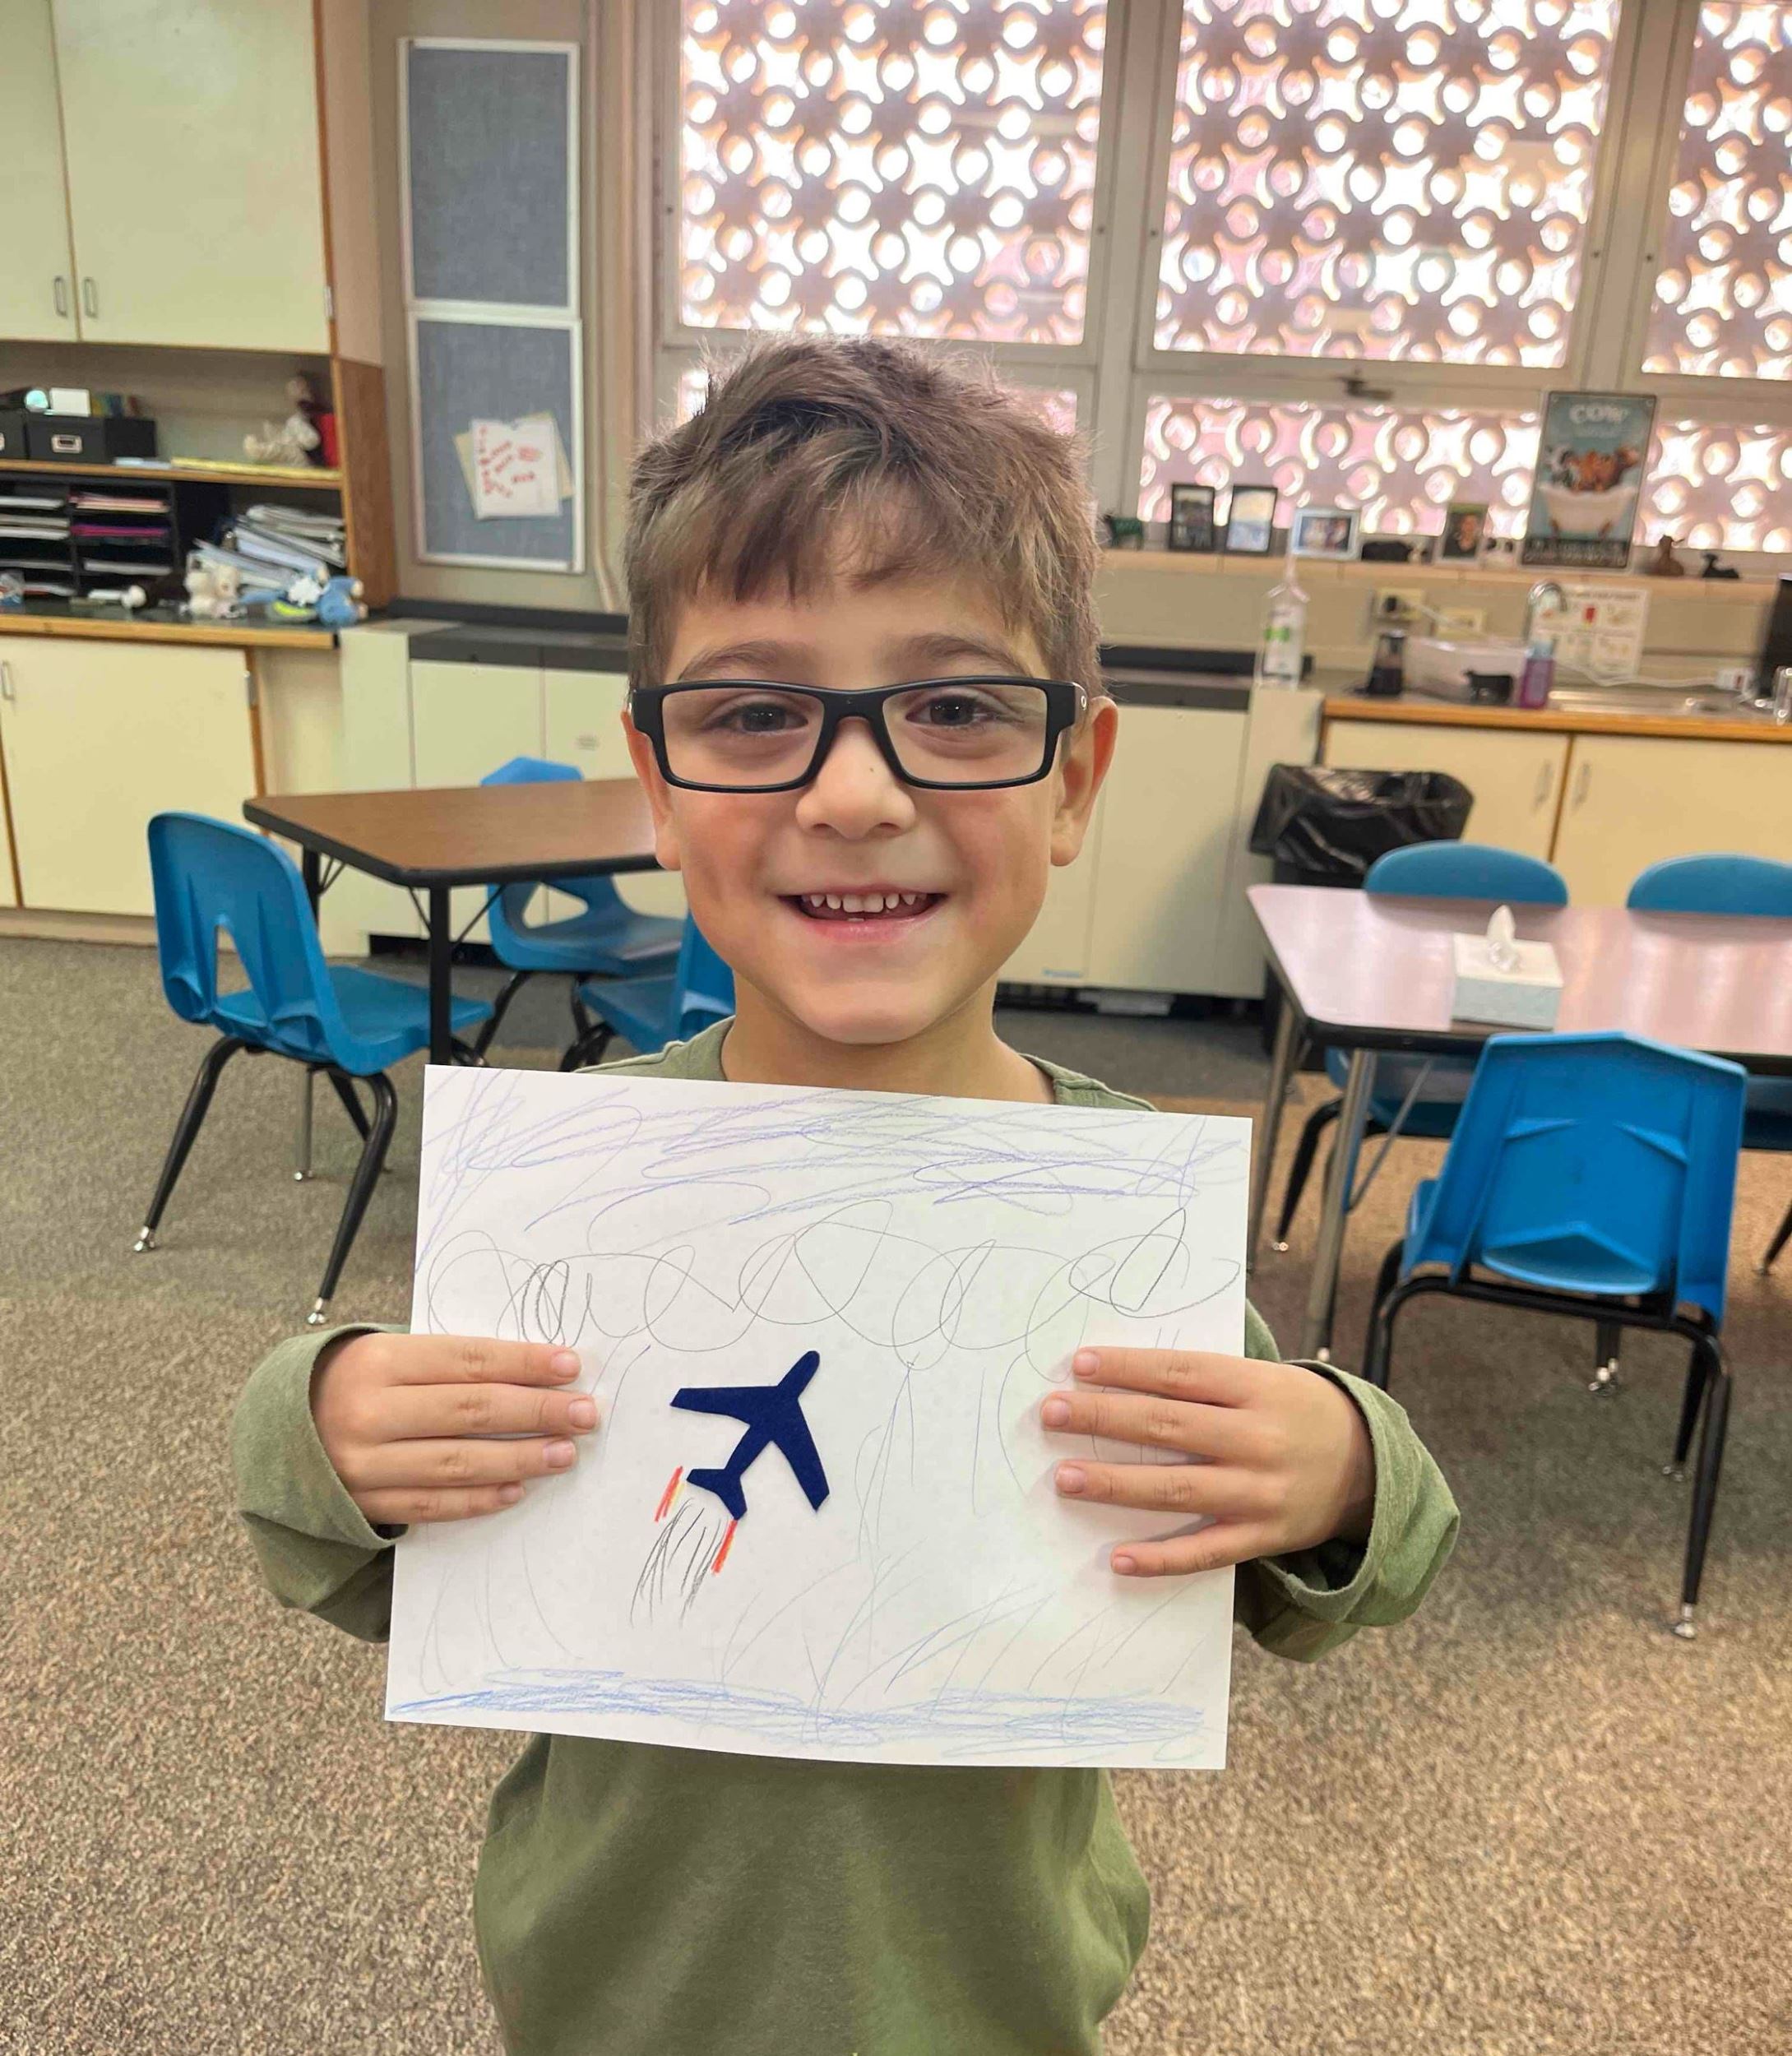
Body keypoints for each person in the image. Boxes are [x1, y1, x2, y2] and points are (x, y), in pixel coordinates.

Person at [231, 336, 1458, 2055]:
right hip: (612, 2010)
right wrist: (332, 1415)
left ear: (1074, 779)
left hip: (993, 2012)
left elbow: (1371, 1552)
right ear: (658, 787)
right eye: (754, 714)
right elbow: (379, 1556)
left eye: (956, 708)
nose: (857, 794)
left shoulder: (1109, 1220)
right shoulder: (583, 1184)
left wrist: (1340, 1460)